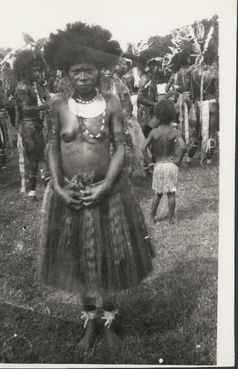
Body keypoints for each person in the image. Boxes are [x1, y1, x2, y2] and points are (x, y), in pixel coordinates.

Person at [41, 22, 155, 353]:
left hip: (108, 195)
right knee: (81, 259)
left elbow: (120, 146)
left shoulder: (112, 103)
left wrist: (106, 185)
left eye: (89, 69)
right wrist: (59, 187)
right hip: (72, 195)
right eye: (76, 71)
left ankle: (110, 319)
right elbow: (52, 146)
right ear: (66, 72)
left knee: (107, 258)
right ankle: (89, 319)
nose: (82, 76)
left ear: (99, 70)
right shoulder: (58, 105)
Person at [13, 50, 50, 197]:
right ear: (24, 70)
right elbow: (26, 109)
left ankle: (33, 191)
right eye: (34, 70)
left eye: (39, 70)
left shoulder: (33, 85)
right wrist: (46, 106)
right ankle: (43, 191)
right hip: (29, 127)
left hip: (36, 125)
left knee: (38, 158)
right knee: (38, 159)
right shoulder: (23, 87)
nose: (37, 73)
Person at [143, 100, 186, 224]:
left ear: (157, 115)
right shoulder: (175, 132)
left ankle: (152, 217)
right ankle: (171, 218)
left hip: (159, 165)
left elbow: (143, 148)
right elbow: (183, 147)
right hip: (171, 165)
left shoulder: (153, 132)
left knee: (157, 193)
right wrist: (178, 160)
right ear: (172, 115)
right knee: (171, 193)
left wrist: (149, 163)